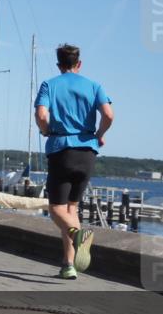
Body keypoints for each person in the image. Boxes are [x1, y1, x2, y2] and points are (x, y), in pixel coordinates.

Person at [34, 43, 113, 280]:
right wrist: (99, 135)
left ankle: (78, 235)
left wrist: (46, 130)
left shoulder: (50, 85)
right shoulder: (94, 86)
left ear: (59, 65)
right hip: (87, 153)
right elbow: (108, 115)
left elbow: (40, 115)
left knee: (56, 209)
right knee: (71, 208)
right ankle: (69, 264)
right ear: (79, 64)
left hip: (62, 151)